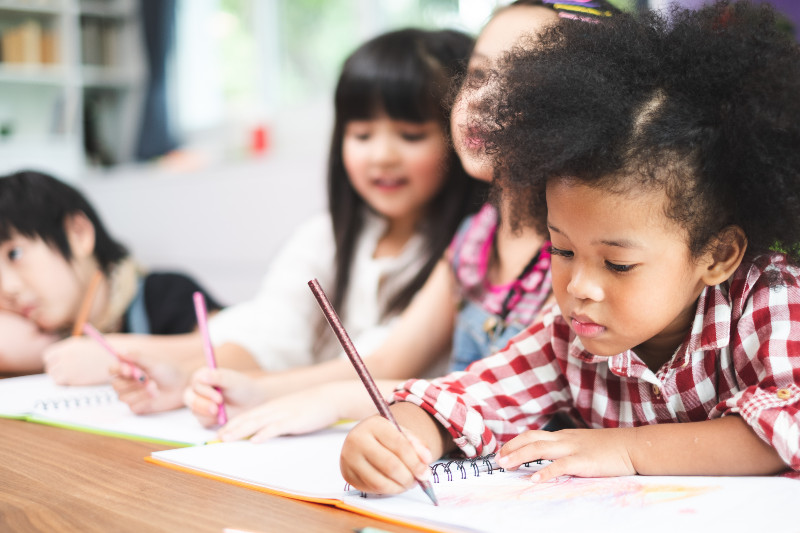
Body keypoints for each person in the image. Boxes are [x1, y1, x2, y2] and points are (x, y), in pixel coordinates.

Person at [340, 0, 800, 494]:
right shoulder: (568, 337)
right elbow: (474, 394)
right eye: (561, 251)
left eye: (618, 264)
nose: (579, 286)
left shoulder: (769, 302)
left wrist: (627, 450)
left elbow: (787, 422)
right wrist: (403, 432)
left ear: (717, 256)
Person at [183, 0, 618, 440]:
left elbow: (491, 392)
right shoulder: (477, 236)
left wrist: (330, 400)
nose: (482, 101)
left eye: (523, 87)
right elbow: (390, 362)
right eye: (478, 75)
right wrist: (259, 391)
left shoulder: (577, 254)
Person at [113, 28, 488, 414]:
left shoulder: (470, 250)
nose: (381, 156)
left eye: (410, 135)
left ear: (462, 136)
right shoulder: (324, 236)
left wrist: (255, 390)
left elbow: (383, 365)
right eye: (361, 134)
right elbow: (273, 331)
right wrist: (196, 375)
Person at [0, 170, 223, 384]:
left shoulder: (166, 293)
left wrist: (111, 354)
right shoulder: (32, 329)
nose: (8, 287)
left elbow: (240, 347)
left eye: (15, 254)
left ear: (78, 234)